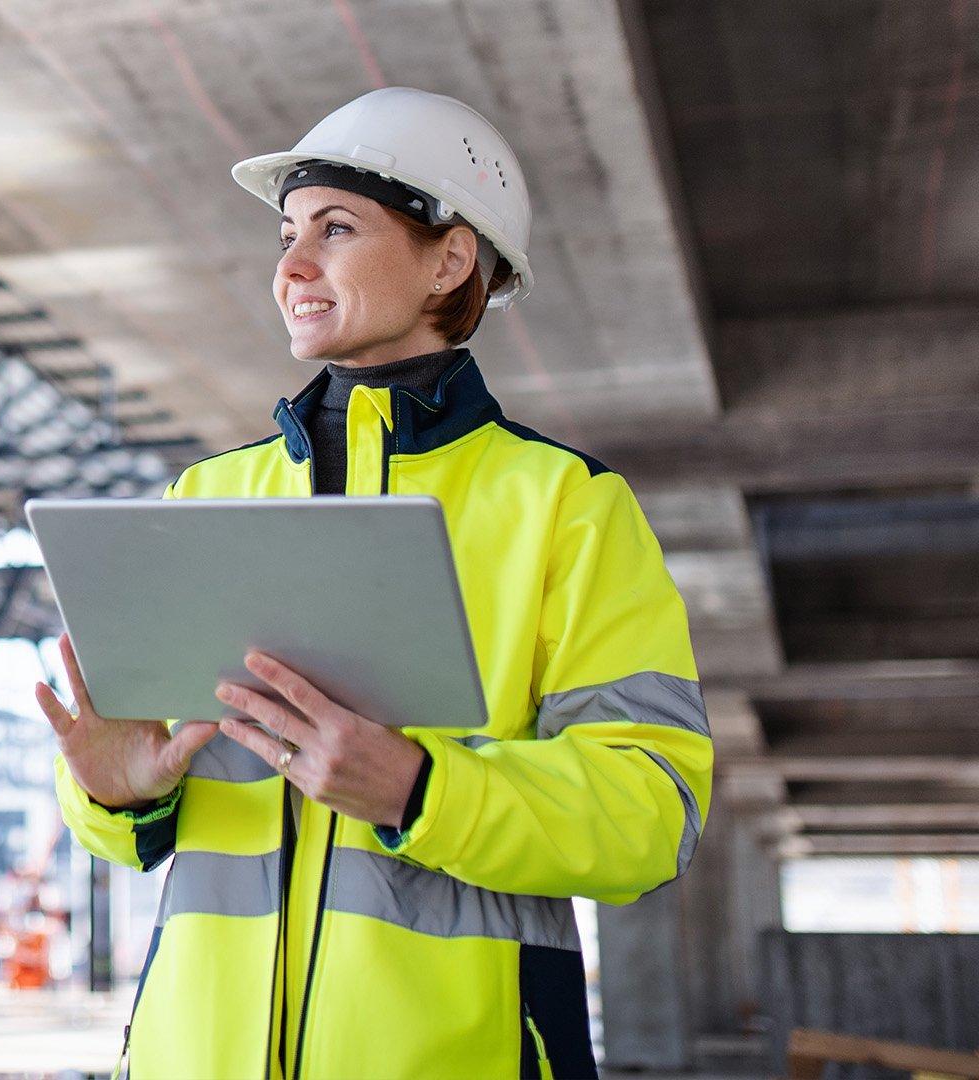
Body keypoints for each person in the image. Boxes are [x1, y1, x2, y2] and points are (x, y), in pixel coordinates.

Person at [35, 87, 712, 1079]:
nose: (292, 268)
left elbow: (649, 813)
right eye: (286, 236)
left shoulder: (564, 506)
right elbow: (146, 827)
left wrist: (422, 790)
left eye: (337, 229)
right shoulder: (204, 496)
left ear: (451, 257)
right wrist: (112, 792)